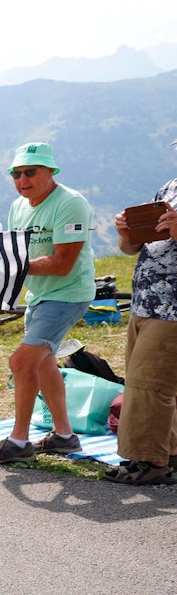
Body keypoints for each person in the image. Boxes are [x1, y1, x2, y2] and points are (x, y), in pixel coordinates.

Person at [0, 142, 96, 464]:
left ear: (51, 171)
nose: (22, 180)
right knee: (43, 364)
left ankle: (19, 441)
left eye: (30, 172)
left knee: (21, 362)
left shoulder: (70, 203)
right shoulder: (18, 206)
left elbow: (63, 263)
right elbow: (15, 255)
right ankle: (64, 436)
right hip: (39, 296)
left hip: (68, 294)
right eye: (16, 174)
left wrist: (4, 267)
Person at [106, 139, 177, 484]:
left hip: (172, 308)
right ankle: (169, 454)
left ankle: (150, 463)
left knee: (150, 386)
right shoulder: (169, 187)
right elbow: (131, 248)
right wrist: (127, 232)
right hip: (144, 303)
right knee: (146, 384)